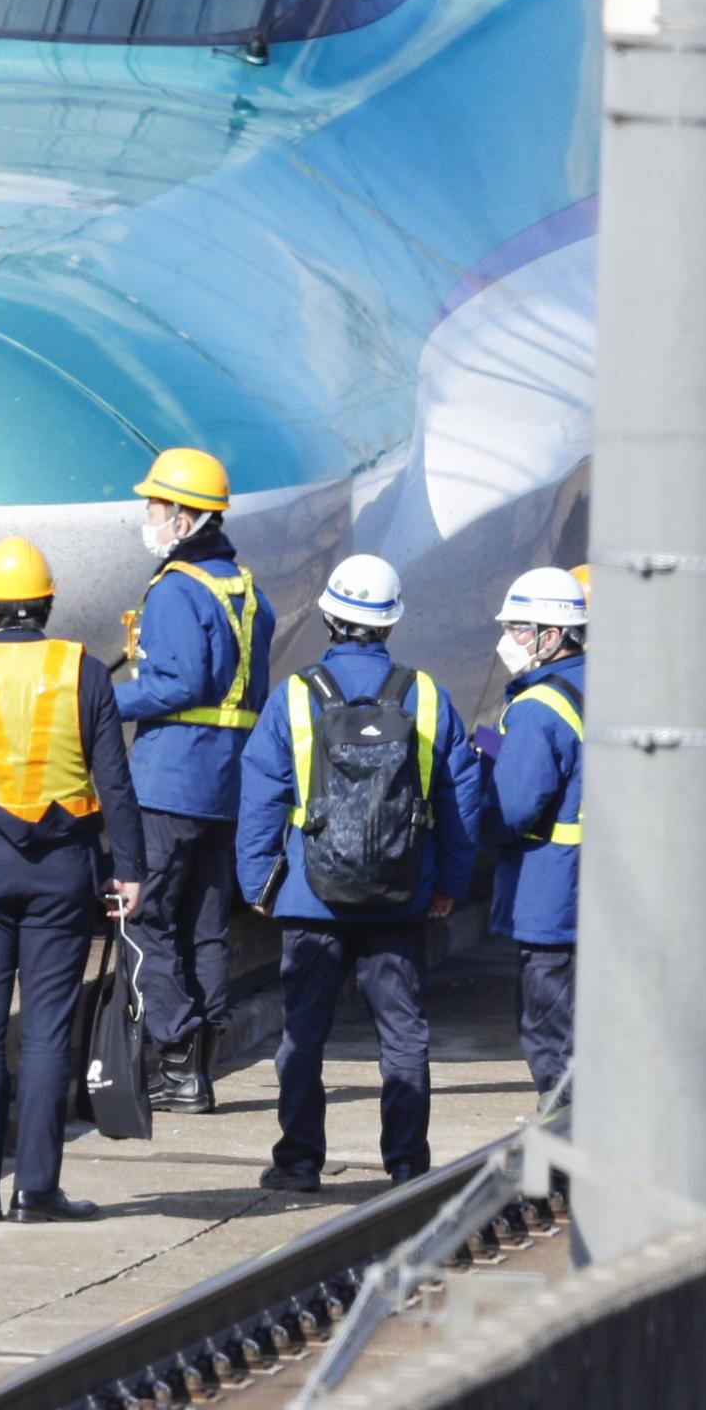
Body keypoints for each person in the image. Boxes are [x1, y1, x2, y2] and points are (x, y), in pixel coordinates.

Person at [0, 535, 143, 1221]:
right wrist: (129, 868)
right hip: (63, 866)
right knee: (46, 1032)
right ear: (46, 604)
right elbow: (116, 783)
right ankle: (36, 1190)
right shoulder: (85, 671)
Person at [237, 554, 481, 1190]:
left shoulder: (296, 696)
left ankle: (297, 1163)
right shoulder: (425, 696)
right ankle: (406, 1164)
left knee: (303, 1036)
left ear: (327, 617)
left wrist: (260, 882)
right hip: (399, 896)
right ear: (390, 624)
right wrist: (450, 884)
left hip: (311, 897)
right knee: (403, 1033)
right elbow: (461, 798)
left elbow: (261, 793)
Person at [113, 446, 270, 1114]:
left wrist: (103, 700)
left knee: (144, 916)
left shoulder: (177, 588)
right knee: (206, 925)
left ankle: (174, 1058)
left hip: (171, 780)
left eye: (155, 505)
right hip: (227, 781)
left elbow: (178, 682)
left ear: (183, 518)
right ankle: (200, 1064)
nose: (147, 515)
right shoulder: (243, 584)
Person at [481, 566, 589, 1102]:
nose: (509, 639)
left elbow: (511, 809)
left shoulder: (537, 708)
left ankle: (570, 1150)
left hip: (553, 896)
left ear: (553, 636)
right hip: (609, 894)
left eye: (520, 628)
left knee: (551, 1034)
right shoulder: (609, 685)